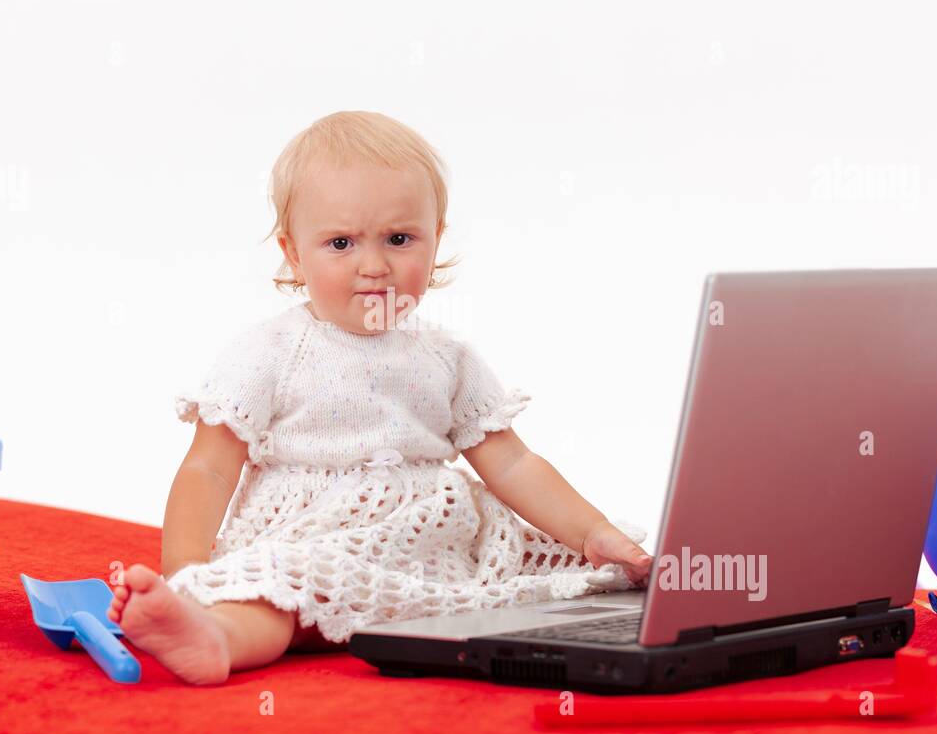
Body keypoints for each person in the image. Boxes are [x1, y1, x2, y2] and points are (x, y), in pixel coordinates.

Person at [108, 110, 652, 684]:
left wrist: (593, 532)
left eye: (399, 239)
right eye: (340, 243)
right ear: (294, 254)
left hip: (423, 543)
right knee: (275, 596)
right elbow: (208, 469)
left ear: (435, 238)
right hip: (310, 535)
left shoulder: (447, 359)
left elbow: (512, 462)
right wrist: (188, 573)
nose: (374, 267)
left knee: (551, 585)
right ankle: (211, 635)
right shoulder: (270, 351)